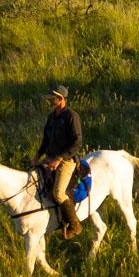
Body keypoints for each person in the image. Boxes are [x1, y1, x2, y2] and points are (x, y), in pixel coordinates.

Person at [35, 84, 84, 238]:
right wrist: (37, 156)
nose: (50, 100)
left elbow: (77, 142)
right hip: (50, 157)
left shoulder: (72, 116)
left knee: (58, 193)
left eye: (52, 98)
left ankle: (75, 225)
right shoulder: (51, 117)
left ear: (61, 99)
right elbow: (45, 140)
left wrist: (59, 159)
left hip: (66, 160)